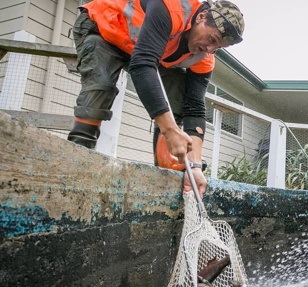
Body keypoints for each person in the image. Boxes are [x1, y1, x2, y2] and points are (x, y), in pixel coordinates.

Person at [67, 0, 244, 198]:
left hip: (141, 49)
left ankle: (169, 177)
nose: (209, 50)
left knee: (177, 90)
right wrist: (170, 130)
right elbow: (142, 65)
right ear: (201, 17)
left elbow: (194, 108)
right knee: (101, 85)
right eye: (212, 40)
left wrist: (195, 167)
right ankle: (77, 163)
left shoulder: (204, 57)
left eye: (217, 47)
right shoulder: (171, 7)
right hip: (104, 29)